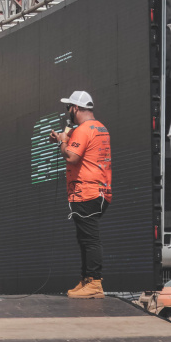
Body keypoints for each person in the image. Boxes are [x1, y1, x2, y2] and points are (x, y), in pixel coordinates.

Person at [49, 91, 112, 299]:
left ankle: (94, 282)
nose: (67, 112)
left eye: (69, 108)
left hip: (86, 191)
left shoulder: (83, 130)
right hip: (99, 190)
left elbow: (72, 156)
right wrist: (63, 139)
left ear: (75, 108)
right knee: (85, 238)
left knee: (90, 239)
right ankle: (87, 279)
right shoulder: (99, 127)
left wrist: (62, 143)